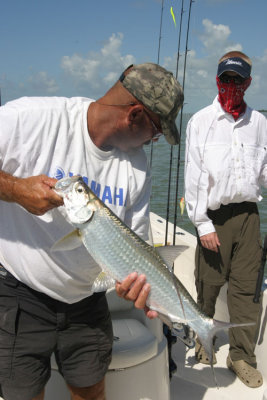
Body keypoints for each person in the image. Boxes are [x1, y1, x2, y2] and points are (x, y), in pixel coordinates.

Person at [0, 62, 184, 400]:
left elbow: (137, 246)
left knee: (92, 393)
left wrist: (134, 286)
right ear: (135, 115)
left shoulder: (138, 167)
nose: (155, 140)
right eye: (156, 131)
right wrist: (15, 190)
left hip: (87, 301)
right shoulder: (29, 119)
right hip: (20, 294)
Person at [184, 51, 267, 388]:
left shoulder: (260, 123)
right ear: (218, 79)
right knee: (208, 285)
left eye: (238, 80)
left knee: (248, 291)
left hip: (249, 216)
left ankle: (241, 356)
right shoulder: (201, 121)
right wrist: (201, 224)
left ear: (248, 82)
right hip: (214, 216)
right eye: (226, 78)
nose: (231, 85)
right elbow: (194, 177)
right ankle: (205, 343)